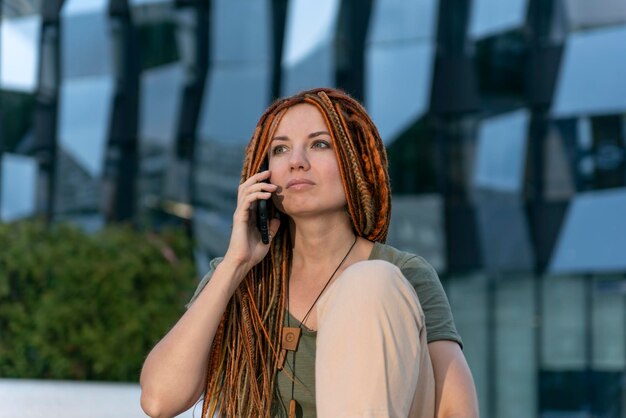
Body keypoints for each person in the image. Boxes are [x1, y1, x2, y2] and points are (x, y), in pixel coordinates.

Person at [140, 87, 479, 418]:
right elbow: (159, 401)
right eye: (280, 150)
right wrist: (235, 263)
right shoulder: (235, 275)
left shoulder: (405, 273)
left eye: (319, 144)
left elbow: (455, 409)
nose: (297, 162)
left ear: (354, 165)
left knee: (370, 281)